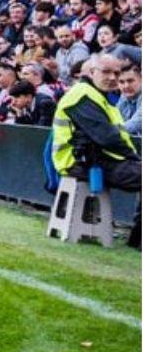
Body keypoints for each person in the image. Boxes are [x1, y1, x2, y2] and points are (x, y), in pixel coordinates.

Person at [51, 54, 140, 250]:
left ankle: (137, 239)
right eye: (106, 72)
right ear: (91, 72)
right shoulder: (82, 95)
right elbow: (107, 137)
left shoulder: (97, 95)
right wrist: (135, 159)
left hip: (97, 160)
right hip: (82, 163)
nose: (113, 77)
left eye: (116, 73)